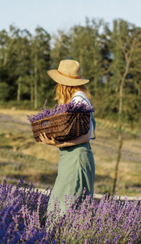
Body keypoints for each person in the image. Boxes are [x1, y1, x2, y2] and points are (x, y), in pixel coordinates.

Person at [39, 59, 96, 220]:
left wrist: (59, 143)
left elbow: (85, 135)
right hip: (72, 157)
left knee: (63, 210)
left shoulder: (79, 99)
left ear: (63, 84)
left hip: (76, 158)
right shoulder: (76, 99)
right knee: (64, 208)